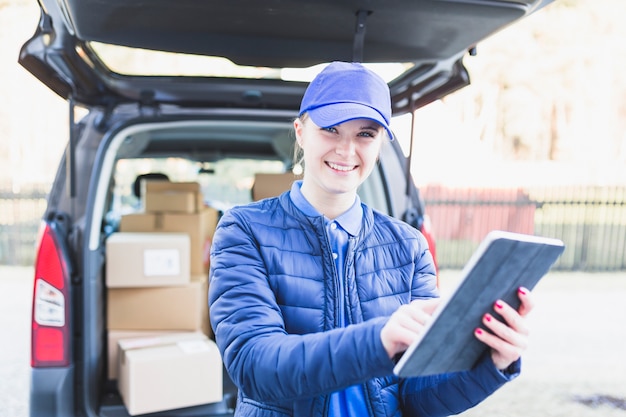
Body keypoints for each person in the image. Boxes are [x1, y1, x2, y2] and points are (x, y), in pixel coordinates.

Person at [208, 61, 533, 417]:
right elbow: (255, 366)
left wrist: (491, 363)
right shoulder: (244, 230)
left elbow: (417, 393)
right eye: (331, 129)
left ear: (380, 144)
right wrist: (378, 341)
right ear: (301, 132)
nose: (347, 151)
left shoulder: (408, 246)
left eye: (366, 134)